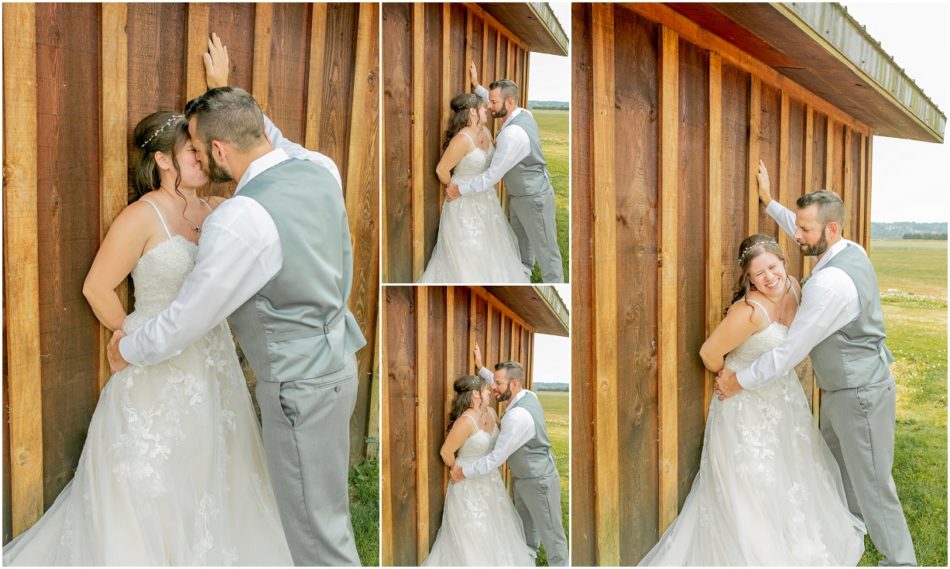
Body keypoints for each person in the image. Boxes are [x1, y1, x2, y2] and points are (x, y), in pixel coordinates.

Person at [106, 34, 366, 566]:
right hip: (339, 365)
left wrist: (128, 349)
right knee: (326, 516)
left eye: (200, 149)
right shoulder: (320, 168)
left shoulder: (239, 220)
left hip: (299, 388)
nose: (196, 157)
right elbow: (265, 136)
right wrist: (222, 93)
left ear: (219, 151)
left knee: (315, 539)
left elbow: (187, 319)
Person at [3, 101, 292, 564]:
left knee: (214, 464)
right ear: (162, 160)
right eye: (192, 153)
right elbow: (96, 287)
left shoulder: (221, 210)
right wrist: (125, 335)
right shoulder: (142, 216)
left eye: (202, 152)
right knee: (153, 473)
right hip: (156, 366)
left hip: (213, 359)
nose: (203, 160)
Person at [715, 162, 918, 566]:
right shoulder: (848, 249)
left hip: (859, 394)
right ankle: (849, 529)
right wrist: (770, 203)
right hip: (844, 388)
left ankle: (900, 561)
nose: (796, 234)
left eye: (805, 230)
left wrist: (740, 379)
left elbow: (790, 351)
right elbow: (799, 222)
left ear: (830, 230)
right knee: (839, 470)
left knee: (874, 483)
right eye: (798, 225)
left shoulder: (829, 284)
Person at [640, 233, 866, 565]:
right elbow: (709, 353)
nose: (769, 277)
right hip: (743, 407)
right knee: (753, 481)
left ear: (784, 262)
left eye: (773, 267)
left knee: (792, 471)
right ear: (748, 277)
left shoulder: (793, 286)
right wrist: (729, 377)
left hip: (783, 398)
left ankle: (795, 539)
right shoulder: (749, 311)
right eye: (759, 274)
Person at [445, 61, 564, 283]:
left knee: (547, 252)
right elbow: (494, 99)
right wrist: (478, 86)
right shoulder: (522, 113)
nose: (489, 106)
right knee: (522, 248)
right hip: (519, 196)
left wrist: (459, 189)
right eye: (487, 102)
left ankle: (553, 283)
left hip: (534, 198)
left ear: (509, 102)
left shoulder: (513, 134)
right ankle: (524, 278)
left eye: (493, 102)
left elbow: (491, 177)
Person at [449, 346, 569, 566]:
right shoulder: (526, 394)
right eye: (492, 383)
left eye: (498, 384)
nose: (493, 387)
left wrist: (463, 472)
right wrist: (481, 368)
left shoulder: (517, 417)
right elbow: (497, 382)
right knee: (527, 528)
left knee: (552, 534)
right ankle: (528, 559)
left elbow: (495, 458)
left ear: (513, 385)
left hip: (538, 480)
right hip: (523, 478)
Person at [422, 375, 535, 566]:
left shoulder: (491, 412)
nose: (490, 391)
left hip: (491, 482)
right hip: (467, 487)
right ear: (475, 394)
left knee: (496, 528)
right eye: (485, 390)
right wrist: (456, 469)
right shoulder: (465, 421)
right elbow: (446, 452)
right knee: (473, 534)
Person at [418, 91, 528, 283]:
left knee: (491, 248)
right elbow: (441, 170)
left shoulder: (484, 131)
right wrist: (453, 187)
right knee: (470, 252)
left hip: (487, 201)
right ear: (473, 112)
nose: (488, 109)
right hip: (463, 206)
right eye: (483, 107)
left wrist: (477, 85)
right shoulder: (462, 140)